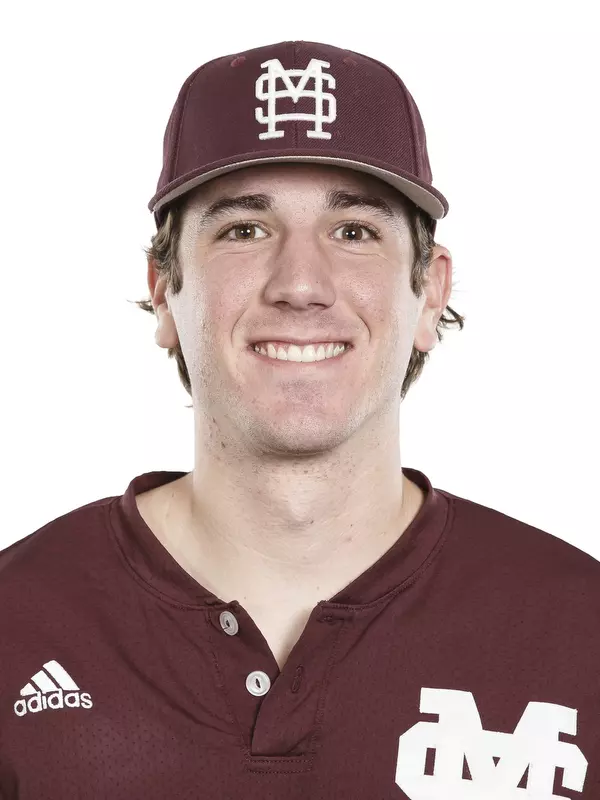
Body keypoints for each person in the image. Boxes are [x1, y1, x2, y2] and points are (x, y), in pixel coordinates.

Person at [1, 39, 598, 799]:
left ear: (431, 289)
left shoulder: (579, 632)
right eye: (243, 230)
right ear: (162, 290)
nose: (301, 283)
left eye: (354, 231)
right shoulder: (18, 623)